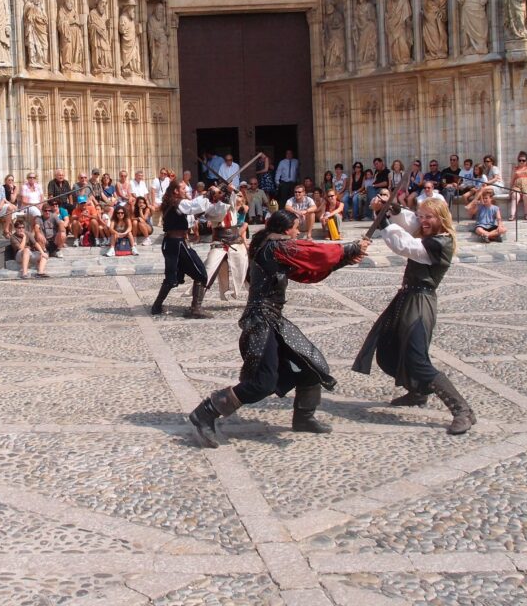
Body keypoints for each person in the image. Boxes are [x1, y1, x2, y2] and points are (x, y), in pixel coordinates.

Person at [188, 210, 368, 448]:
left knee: (312, 365)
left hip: (273, 321)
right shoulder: (275, 248)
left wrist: (344, 259)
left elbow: (308, 272)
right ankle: (205, 412)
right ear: (286, 230)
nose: (297, 232)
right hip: (261, 322)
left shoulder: (275, 249)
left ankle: (304, 417)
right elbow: (313, 252)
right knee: (262, 383)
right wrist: (350, 248)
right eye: (295, 228)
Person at [354, 190, 474, 435]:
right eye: (422, 216)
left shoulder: (441, 242)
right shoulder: (429, 232)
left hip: (420, 303)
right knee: (390, 348)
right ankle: (418, 392)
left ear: (441, 218)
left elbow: (406, 245)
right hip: (407, 298)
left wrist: (385, 222)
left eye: (429, 217)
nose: (424, 221)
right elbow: (411, 223)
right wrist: (395, 209)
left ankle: (462, 410)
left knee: (417, 358)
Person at [150, 179, 212, 317]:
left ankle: (157, 306)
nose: (186, 191)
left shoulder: (175, 203)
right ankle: (195, 309)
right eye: (183, 188)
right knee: (200, 274)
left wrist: (212, 197)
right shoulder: (177, 203)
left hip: (175, 243)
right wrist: (208, 195)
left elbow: (195, 210)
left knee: (173, 278)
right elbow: (192, 206)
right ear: (176, 191)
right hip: (176, 244)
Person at [508, 151, 527, 221]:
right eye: (520, 160)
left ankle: (526, 214)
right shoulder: (515, 169)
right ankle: (512, 215)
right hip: (517, 186)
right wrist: (510, 190)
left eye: (523, 160)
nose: (521, 162)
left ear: (526, 161)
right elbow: (512, 180)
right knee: (515, 196)